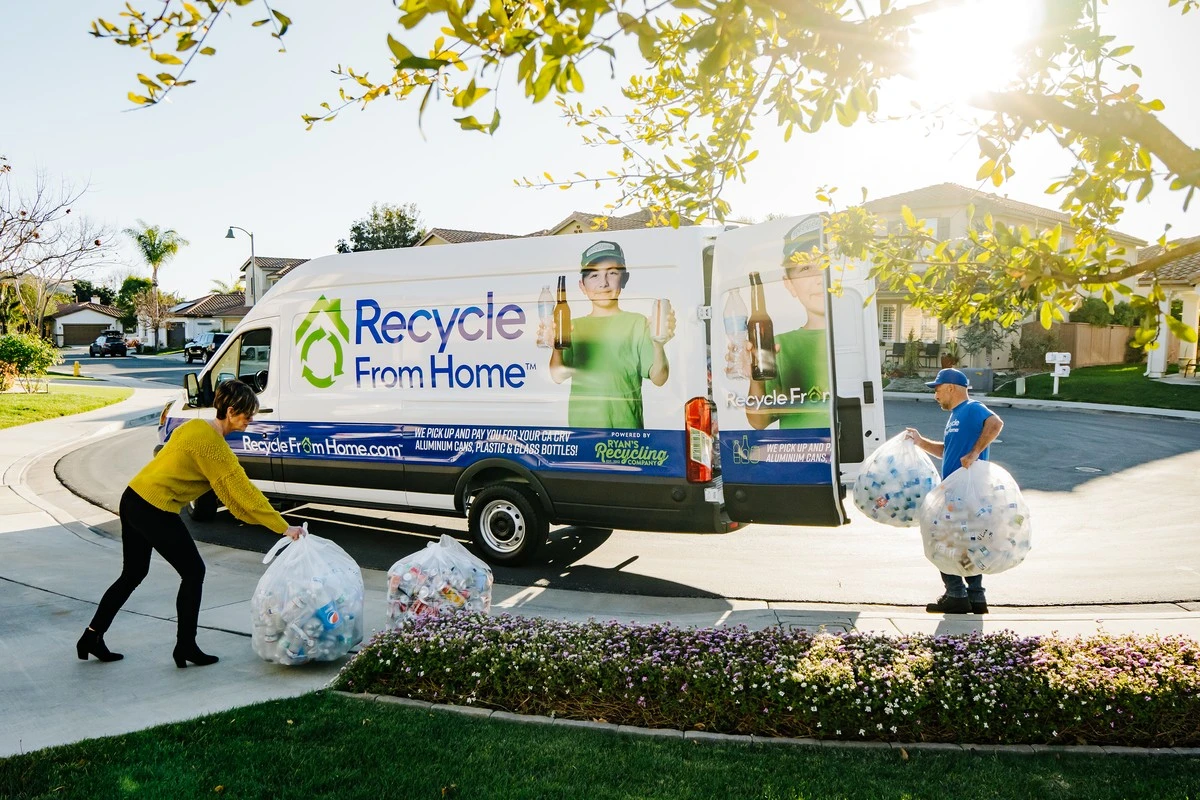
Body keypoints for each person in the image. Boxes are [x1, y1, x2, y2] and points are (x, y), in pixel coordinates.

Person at [77, 379, 305, 667]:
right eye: (248, 414)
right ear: (232, 411)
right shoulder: (214, 448)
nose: (251, 420)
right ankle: (185, 646)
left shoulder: (193, 426)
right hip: (153, 508)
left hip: (134, 498)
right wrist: (284, 527)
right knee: (193, 572)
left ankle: (92, 636)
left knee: (133, 573)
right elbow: (244, 494)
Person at [545, 240, 676, 428]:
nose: (603, 283)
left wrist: (659, 344)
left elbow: (659, 378)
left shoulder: (637, 323)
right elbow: (558, 376)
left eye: (612, 273)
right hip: (584, 433)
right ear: (582, 286)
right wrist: (556, 348)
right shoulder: (572, 327)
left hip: (626, 436)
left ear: (624, 279)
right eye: (594, 275)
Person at [905, 367, 1005, 615]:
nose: (935, 395)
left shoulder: (971, 408)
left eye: (937, 390)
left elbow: (996, 423)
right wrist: (920, 442)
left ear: (951, 388)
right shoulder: (956, 416)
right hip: (957, 489)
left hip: (966, 490)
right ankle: (976, 598)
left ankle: (956, 595)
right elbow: (946, 452)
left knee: (941, 540)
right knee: (967, 543)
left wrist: (975, 452)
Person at [729, 223, 831, 430]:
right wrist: (755, 379)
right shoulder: (779, 346)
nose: (819, 278)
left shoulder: (858, 337)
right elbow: (758, 422)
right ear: (789, 284)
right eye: (805, 268)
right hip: (798, 456)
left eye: (825, 264)